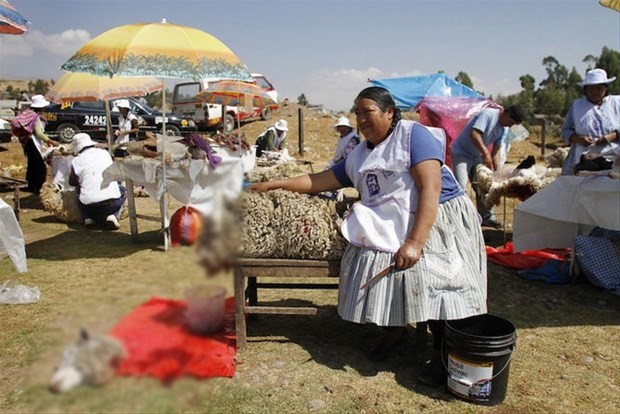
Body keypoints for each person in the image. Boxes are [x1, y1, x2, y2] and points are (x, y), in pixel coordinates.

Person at [247, 86, 487, 386]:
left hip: (438, 216)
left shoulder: (414, 136)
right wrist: (273, 185)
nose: (360, 118)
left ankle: (442, 353)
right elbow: (319, 180)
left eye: (367, 111)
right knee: (369, 258)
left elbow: (431, 188)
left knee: (436, 280)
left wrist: (415, 242)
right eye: (357, 112)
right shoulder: (361, 154)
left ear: (389, 112)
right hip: (397, 219)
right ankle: (394, 330)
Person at [450, 104, 525, 228]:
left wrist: (497, 173)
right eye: (511, 122)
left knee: (484, 185)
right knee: (461, 185)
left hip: (476, 156)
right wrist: (485, 153)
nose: (511, 126)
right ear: (506, 113)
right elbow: (474, 134)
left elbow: (496, 151)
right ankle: (458, 219)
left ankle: (487, 217)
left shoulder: (504, 129)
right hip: (461, 153)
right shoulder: (488, 114)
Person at [560, 68, 620, 175]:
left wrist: (612, 136)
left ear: (606, 88)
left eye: (599, 88)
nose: (595, 92)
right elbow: (565, 131)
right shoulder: (577, 106)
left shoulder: (616, 103)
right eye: (591, 88)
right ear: (585, 90)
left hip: (614, 157)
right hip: (584, 158)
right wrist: (578, 139)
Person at [69, 133, 126, 230]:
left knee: (78, 189)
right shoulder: (105, 153)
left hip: (89, 206)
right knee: (123, 190)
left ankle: (87, 218)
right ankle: (113, 216)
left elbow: (72, 182)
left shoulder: (76, 161)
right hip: (111, 204)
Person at [18, 94, 60, 194]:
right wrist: (50, 141)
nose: (45, 108)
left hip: (28, 143)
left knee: (32, 164)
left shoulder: (29, 114)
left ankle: (31, 185)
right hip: (32, 143)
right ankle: (38, 187)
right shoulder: (35, 117)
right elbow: (39, 133)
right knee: (40, 166)